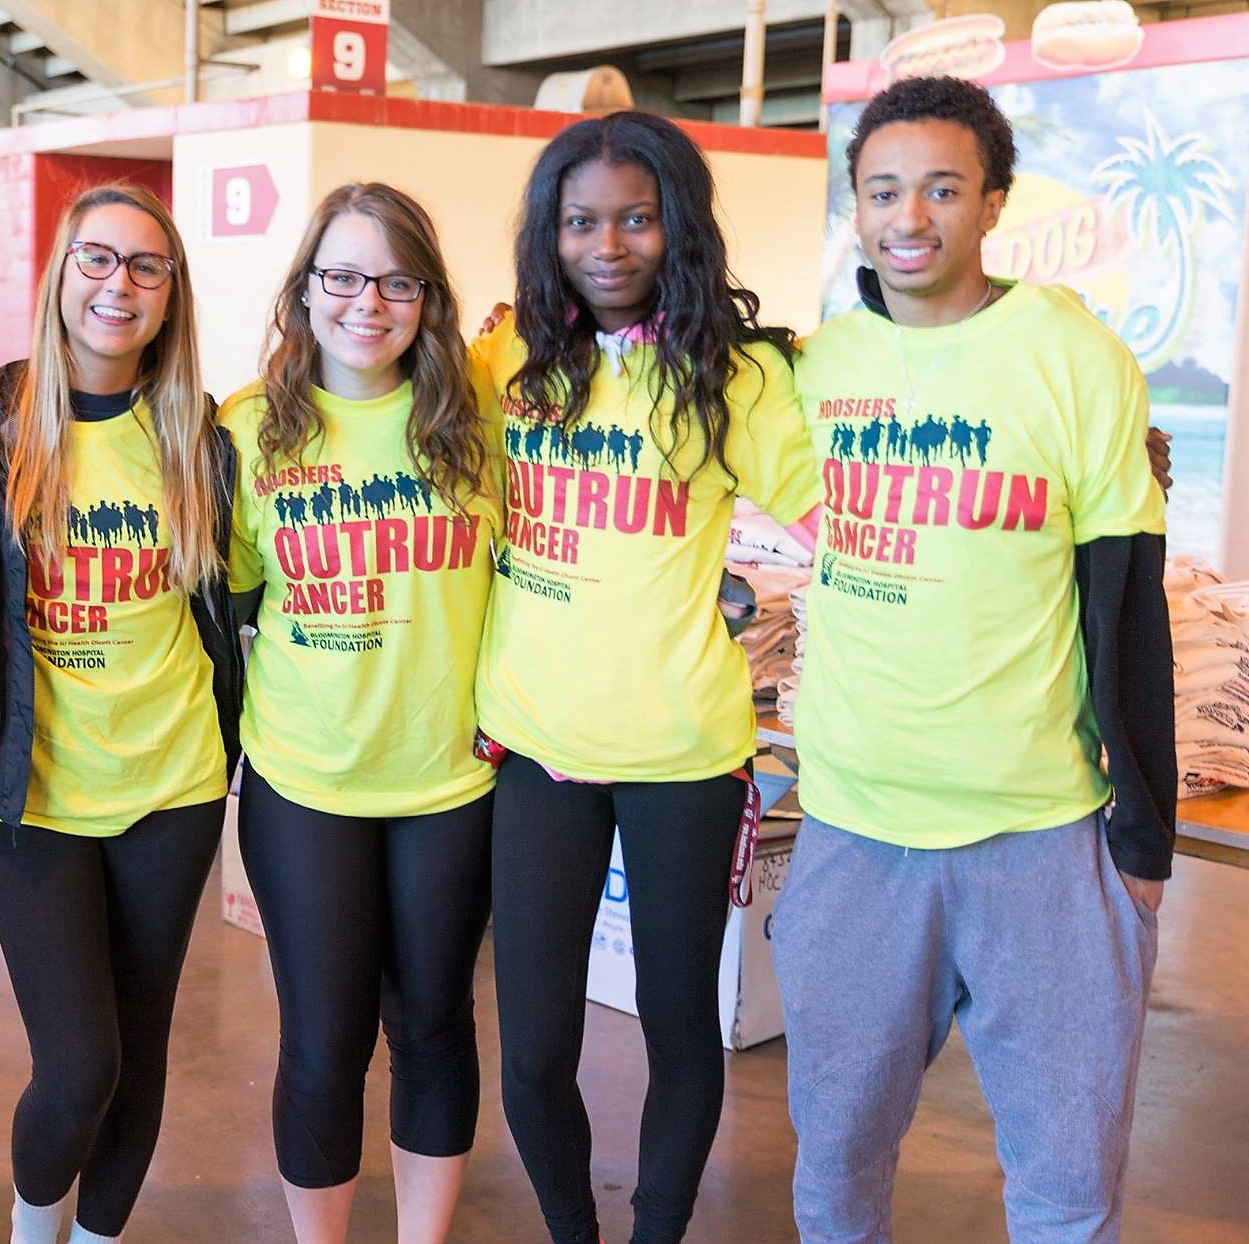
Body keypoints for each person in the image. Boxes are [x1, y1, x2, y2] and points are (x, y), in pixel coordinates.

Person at [773, 75, 1173, 1243]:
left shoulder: (1072, 356)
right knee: (834, 1168)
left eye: (941, 189)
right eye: (881, 191)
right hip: (851, 832)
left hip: (1037, 836)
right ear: (854, 206)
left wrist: (1141, 838)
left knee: (1065, 1186)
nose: (908, 217)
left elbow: (1126, 605)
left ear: (992, 202)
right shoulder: (815, 368)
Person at [469, 113, 822, 1244]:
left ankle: (657, 1232)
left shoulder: (740, 376)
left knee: (679, 1028)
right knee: (533, 1047)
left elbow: (844, 513)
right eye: (580, 221)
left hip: (684, 755)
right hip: (536, 750)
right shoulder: (504, 361)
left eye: (634, 218)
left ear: (678, 225)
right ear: (549, 231)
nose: (606, 244)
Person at [0, 183, 242, 1244]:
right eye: (97, 258)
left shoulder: (197, 435)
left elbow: (237, 599)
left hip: (173, 784)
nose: (119, 284)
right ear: (61, 273)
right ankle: (32, 1231)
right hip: (37, 791)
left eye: (147, 266)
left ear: (170, 293)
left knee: (138, 1051)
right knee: (78, 1065)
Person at [219, 182, 498, 1244]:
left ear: (428, 298)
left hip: (449, 782)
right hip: (305, 783)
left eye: (395, 281)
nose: (366, 303)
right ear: (304, 289)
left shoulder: (476, 422)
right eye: (341, 276)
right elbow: (230, 599)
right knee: (322, 1044)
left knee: (433, 1026)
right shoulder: (249, 428)